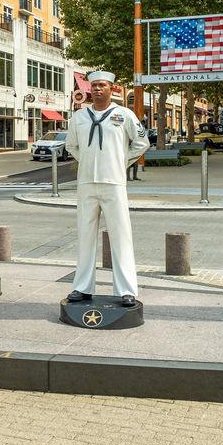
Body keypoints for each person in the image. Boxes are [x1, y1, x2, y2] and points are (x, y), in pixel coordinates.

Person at [64, 71, 150, 306]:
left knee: (121, 236)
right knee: (85, 235)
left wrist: (122, 160)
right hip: (87, 184)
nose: (97, 89)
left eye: (102, 85)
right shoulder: (79, 117)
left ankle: (126, 290)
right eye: (94, 85)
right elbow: (71, 145)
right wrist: (88, 160)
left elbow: (142, 142)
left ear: (112, 89)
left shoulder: (124, 114)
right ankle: (82, 287)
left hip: (114, 183)